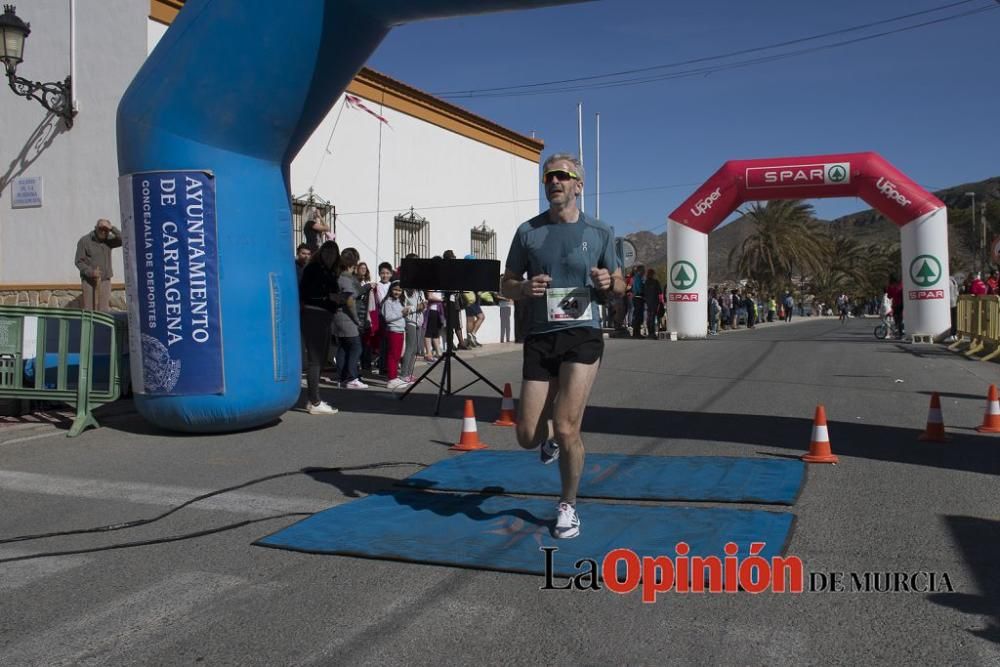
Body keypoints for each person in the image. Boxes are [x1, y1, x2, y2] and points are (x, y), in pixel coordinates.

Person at [501, 153, 624, 540]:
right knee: (526, 436)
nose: (554, 181)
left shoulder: (600, 231)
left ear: (577, 186)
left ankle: (567, 505)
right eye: (548, 176)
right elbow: (505, 283)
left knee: (569, 426)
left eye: (562, 176)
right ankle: (549, 437)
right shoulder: (528, 232)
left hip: (582, 333)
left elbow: (620, 285)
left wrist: (608, 281)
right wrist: (522, 288)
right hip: (540, 335)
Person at [299, 241, 345, 414]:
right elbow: (306, 292)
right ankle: (315, 401)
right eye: (326, 252)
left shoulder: (330, 272)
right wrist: (329, 297)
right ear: (320, 253)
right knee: (315, 359)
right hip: (314, 314)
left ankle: (314, 399)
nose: (329, 256)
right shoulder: (313, 269)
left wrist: (336, 299)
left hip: (325, 315)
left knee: (321, 358)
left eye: (333, 253)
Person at [334, 247, 367, 389]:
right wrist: (356, 319)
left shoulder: (339, 276)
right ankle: (351, 378)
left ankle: (342, 378)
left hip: (338, 317)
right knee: (356, 347)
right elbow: (349, 300)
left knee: (343, 348)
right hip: (346, 317)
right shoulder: (345, 278)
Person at [75, 218, 122, 312]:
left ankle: (101, 327)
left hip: (105, 280)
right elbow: (78, 261)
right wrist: (91, 272)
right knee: (90, 310)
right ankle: (90, 327)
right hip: (89, 281)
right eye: (101, 228)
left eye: (106, 230)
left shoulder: (108, 240)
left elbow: (123, 239)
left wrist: (112, 228)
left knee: (103, 310)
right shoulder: (85, 241)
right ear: (96, 228)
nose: (103, 232)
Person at [381, 281, 412, 390]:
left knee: (397, 355)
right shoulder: (388, 302)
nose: (397, 292)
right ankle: (391, 379)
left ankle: (394, 376)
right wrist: (402, 313)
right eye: (395, 289)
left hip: (400, 330)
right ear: (390, 290)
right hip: (393, 331)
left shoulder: (400, 301)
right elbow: (388, 317)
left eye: (399, 290)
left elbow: (404, 313)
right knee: (393, 355)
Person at [643, 268, 661, 339]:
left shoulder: (646, 282)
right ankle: (653, 333)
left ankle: (650, 332)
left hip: (647, 302)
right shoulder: (656, 282)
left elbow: (644, 292)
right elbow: (660, 292)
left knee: (649, 317)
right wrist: (661, 302)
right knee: (654, 317)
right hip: (654, 302)